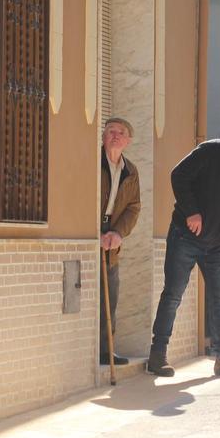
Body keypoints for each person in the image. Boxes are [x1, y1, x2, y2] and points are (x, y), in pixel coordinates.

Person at [148, 116, 220, 378]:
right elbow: (178, 175)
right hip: (186, 235)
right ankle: (157, 356)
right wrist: (191, 212)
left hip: (217, 244)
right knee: (173, 295)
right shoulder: (214, 150)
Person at [99, 117, 141, 366]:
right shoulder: (92, 161)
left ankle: (107, 349)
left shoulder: (131, 170)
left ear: (128, 141)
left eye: (121, 132)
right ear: (103, 136)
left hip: (113, 233)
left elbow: (134, 207)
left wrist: (117, 234)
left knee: (110, 293)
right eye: (111, 131)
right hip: (91, 228)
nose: (115, 135)